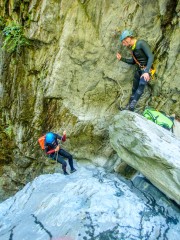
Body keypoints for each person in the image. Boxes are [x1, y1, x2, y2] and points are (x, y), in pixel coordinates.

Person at [116, 29, 154, 111]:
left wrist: (147, 72)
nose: (124, 44)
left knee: (141, 86)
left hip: (146, 70)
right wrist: (121, 58)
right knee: (134, 89)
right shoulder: (133, 49)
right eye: (123, 42)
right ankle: (129, 107)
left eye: (124, 41)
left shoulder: (141, 43)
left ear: (129, 38)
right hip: (139, 70)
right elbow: (133, 62)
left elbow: (151, 56)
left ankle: (131, 107)